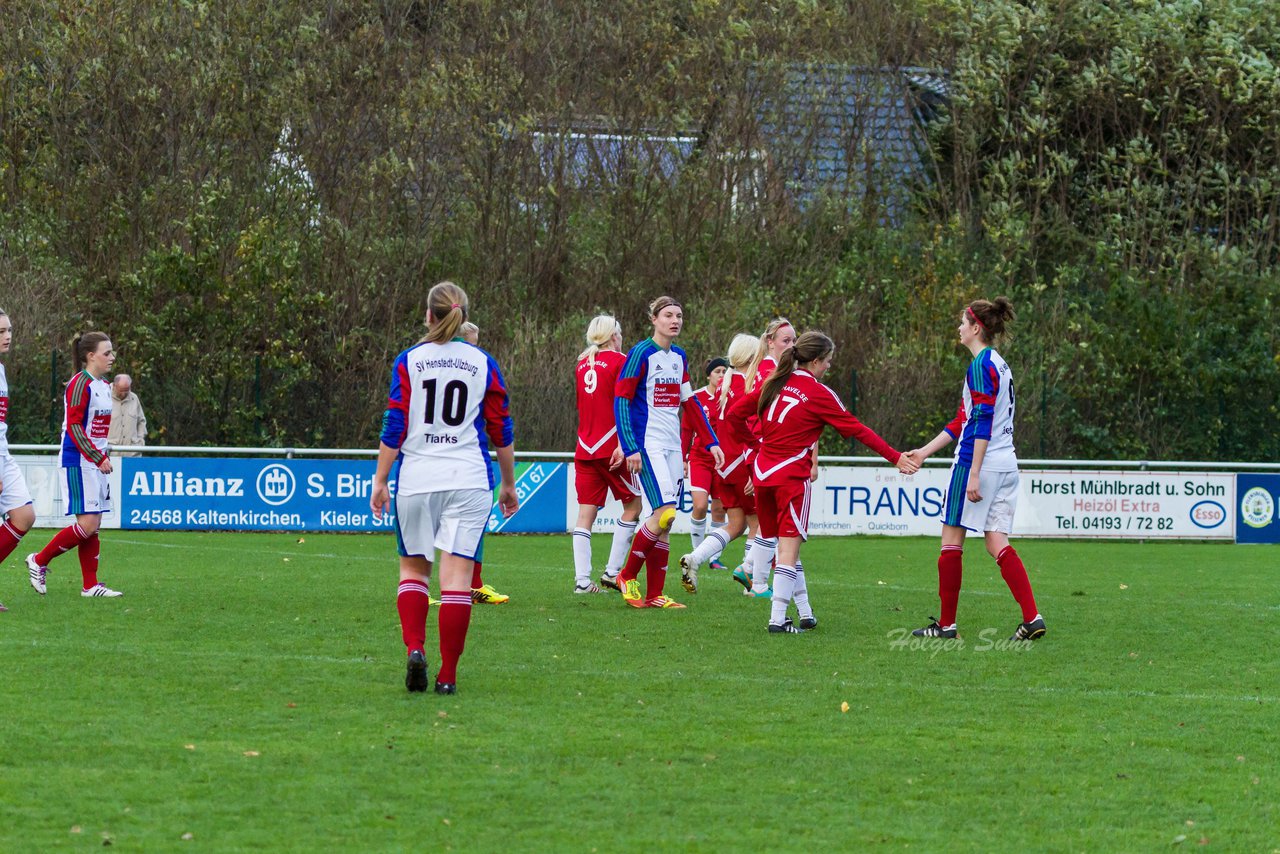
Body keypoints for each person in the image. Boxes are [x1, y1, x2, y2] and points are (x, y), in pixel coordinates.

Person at [370, 281, 519, 695]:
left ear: (429, 315)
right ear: (463, 316)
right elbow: (500, 429)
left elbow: (394, 425)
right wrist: (508, 483)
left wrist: (381, 479)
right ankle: (448, 677)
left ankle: (415, 648)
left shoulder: (409, 361)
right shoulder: (482, 362)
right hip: (468, 480)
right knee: (456, 581)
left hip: (418, 479)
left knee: (413, 571)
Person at [726, 331, 916, 632]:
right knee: (788, 550)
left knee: (781, 545)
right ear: (815, 361)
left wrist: (756, 446)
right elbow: (857, 429)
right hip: (791, 478)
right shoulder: (818, 393)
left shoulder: (774, 383)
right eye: (827, 361)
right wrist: (895, 457)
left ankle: (804, 610)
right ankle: (777, 619)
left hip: (762, 476)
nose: (829, 367)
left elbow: (734, 414)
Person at [906, 298, 1046, 642]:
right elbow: (963, 419)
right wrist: (923, 452)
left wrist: (973, 472)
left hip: (977, 463)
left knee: (951, 541)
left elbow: (981, 421)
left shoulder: (981, 366)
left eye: (962, 322)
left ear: (976, 328)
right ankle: (1032, 618)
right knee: (997, 540)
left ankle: (947, 626)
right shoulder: (999, 364)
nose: (959, 328)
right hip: (1006, 463)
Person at [613, 295, 724, 609]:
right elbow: (621, 400)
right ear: (654, 319)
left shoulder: (679, 356)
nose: (675, 320)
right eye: (668, 315)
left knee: (666, 521)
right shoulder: (639, 354)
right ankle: (626, 575)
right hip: (647, 445)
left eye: (679, 315)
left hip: (673, 446)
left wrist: (712, 441)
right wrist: (630, 446)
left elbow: (690, 404)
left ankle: (655, 594)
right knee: (665, 513)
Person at [25, 332, 123, 598]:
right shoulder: (80, 384)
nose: (112, 357)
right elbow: (75, 427)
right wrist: (96, 456)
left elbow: (97, 428)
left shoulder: (103, 385)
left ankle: (90, 586)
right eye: (107, 353)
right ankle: (39, 560)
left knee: (94, 523)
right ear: (91, 356)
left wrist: (104, 452)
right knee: (88, 524)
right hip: (79, 461)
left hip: (95, 461)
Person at [679, 334, 762, 595]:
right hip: (741, 462)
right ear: (752, 355)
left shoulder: (725, 385)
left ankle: (695, 558)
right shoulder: (749, 385)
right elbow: (746, 428)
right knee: (757, 523)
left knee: (735, 524)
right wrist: (752, 466)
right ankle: (753, 583)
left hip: (723, 465)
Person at [571, 314, 642, 594]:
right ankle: (612, 572)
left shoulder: (581, 364)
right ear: (614, 335)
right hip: (612, 447)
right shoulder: (621, 361)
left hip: (584, 448)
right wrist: (625, 444)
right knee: (634, 507)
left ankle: (582, 581)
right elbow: (626, 405)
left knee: (585, 514)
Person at [453, 320, 509, 605]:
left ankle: (469, 585)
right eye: (474, 342)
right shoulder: (480, 364)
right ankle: (463, 586)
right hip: (467, 457)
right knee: (468, 523)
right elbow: (499, 420)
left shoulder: (421, 360)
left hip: (433, 457)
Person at [0, 310, 37, 611]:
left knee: (24, 516)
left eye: (9, 330)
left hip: (3, 451)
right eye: (1, 331)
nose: (7, 336)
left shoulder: (0, 369)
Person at [681, 356, 727, 568]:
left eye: (724, 371)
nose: (721, 375)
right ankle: (697, 556)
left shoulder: (729, 397)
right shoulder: (696, 397)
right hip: (700, 458)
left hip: (724, 460)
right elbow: (687, 430)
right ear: (708, 375)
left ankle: (714, 559)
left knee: (719, 510)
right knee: (699, 506)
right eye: (717, 371)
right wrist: (683, 458)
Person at [106, 374, 147, 457]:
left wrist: (140, 441)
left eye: (126, 390)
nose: (124, 393)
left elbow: (141, 421)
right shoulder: (104, 397)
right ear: (114, 385)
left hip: (133, 453)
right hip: (110, 453)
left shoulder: (134, 398)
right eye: (121, 390)